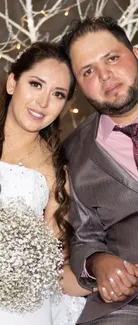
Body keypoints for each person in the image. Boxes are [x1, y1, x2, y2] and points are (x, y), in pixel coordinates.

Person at [62, 16, 138, 324]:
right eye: (88, 71)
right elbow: (83, 236)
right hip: (135, 302)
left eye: (112, 58)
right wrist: (97, 262)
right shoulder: (74, 153)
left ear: (137, 56)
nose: (104, 75)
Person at [0, 41, 90, 325]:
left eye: (58, 94)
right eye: (36, 84)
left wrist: (100, 278)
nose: (43, 102)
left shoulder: (55, 171)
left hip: (17, 299)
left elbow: (55, 267)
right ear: (13, 82)